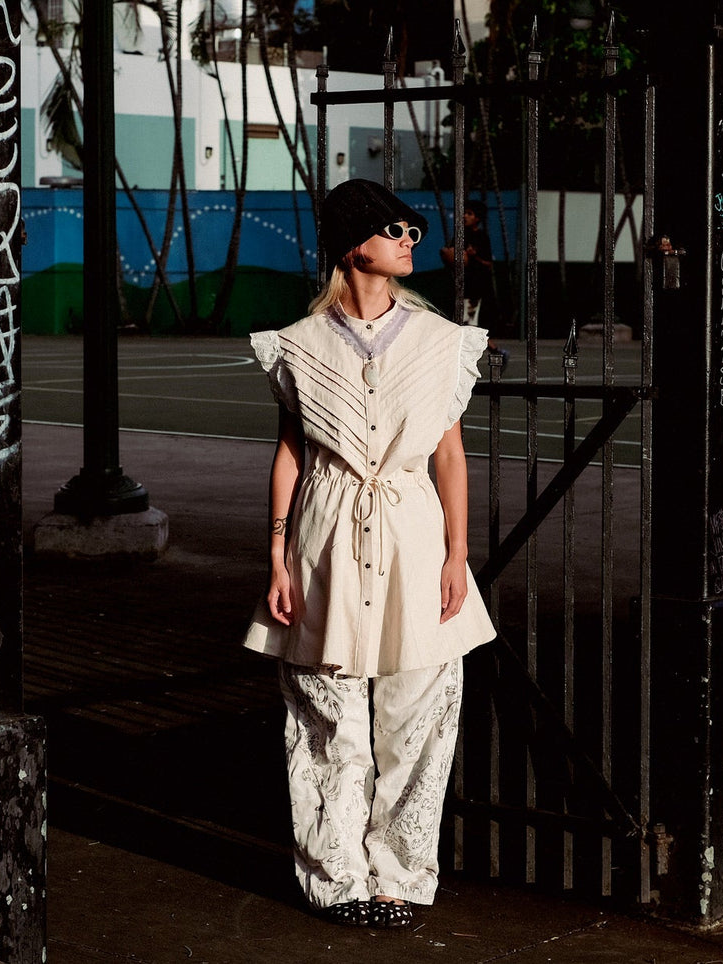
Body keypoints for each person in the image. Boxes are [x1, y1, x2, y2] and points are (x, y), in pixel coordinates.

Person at [244, 179, 497, 930]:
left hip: (414, 537)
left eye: (414, 228)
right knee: (329, 719)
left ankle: (401, 877)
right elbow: (289, 452)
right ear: (351, 246)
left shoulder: (442, 341)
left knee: (416, 712)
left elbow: (449, 456)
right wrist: (277, 552)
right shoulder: (298, 345)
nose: (411, 238)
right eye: (395, 228)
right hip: (323, 535)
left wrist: (457, 553)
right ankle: (337, 877)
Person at [439, 198, 506, 361]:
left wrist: (474, 256)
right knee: (462, 323)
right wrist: (448, 255)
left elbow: (488, 264)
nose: (465, 216)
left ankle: (495, 351)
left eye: (469, 214)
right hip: (461, 285)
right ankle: (494, 351)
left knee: (467, 324)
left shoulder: (482, 237)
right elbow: (452, 257)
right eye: (465, 213)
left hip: (475, 287)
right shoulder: (460, 236)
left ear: (477, 218)